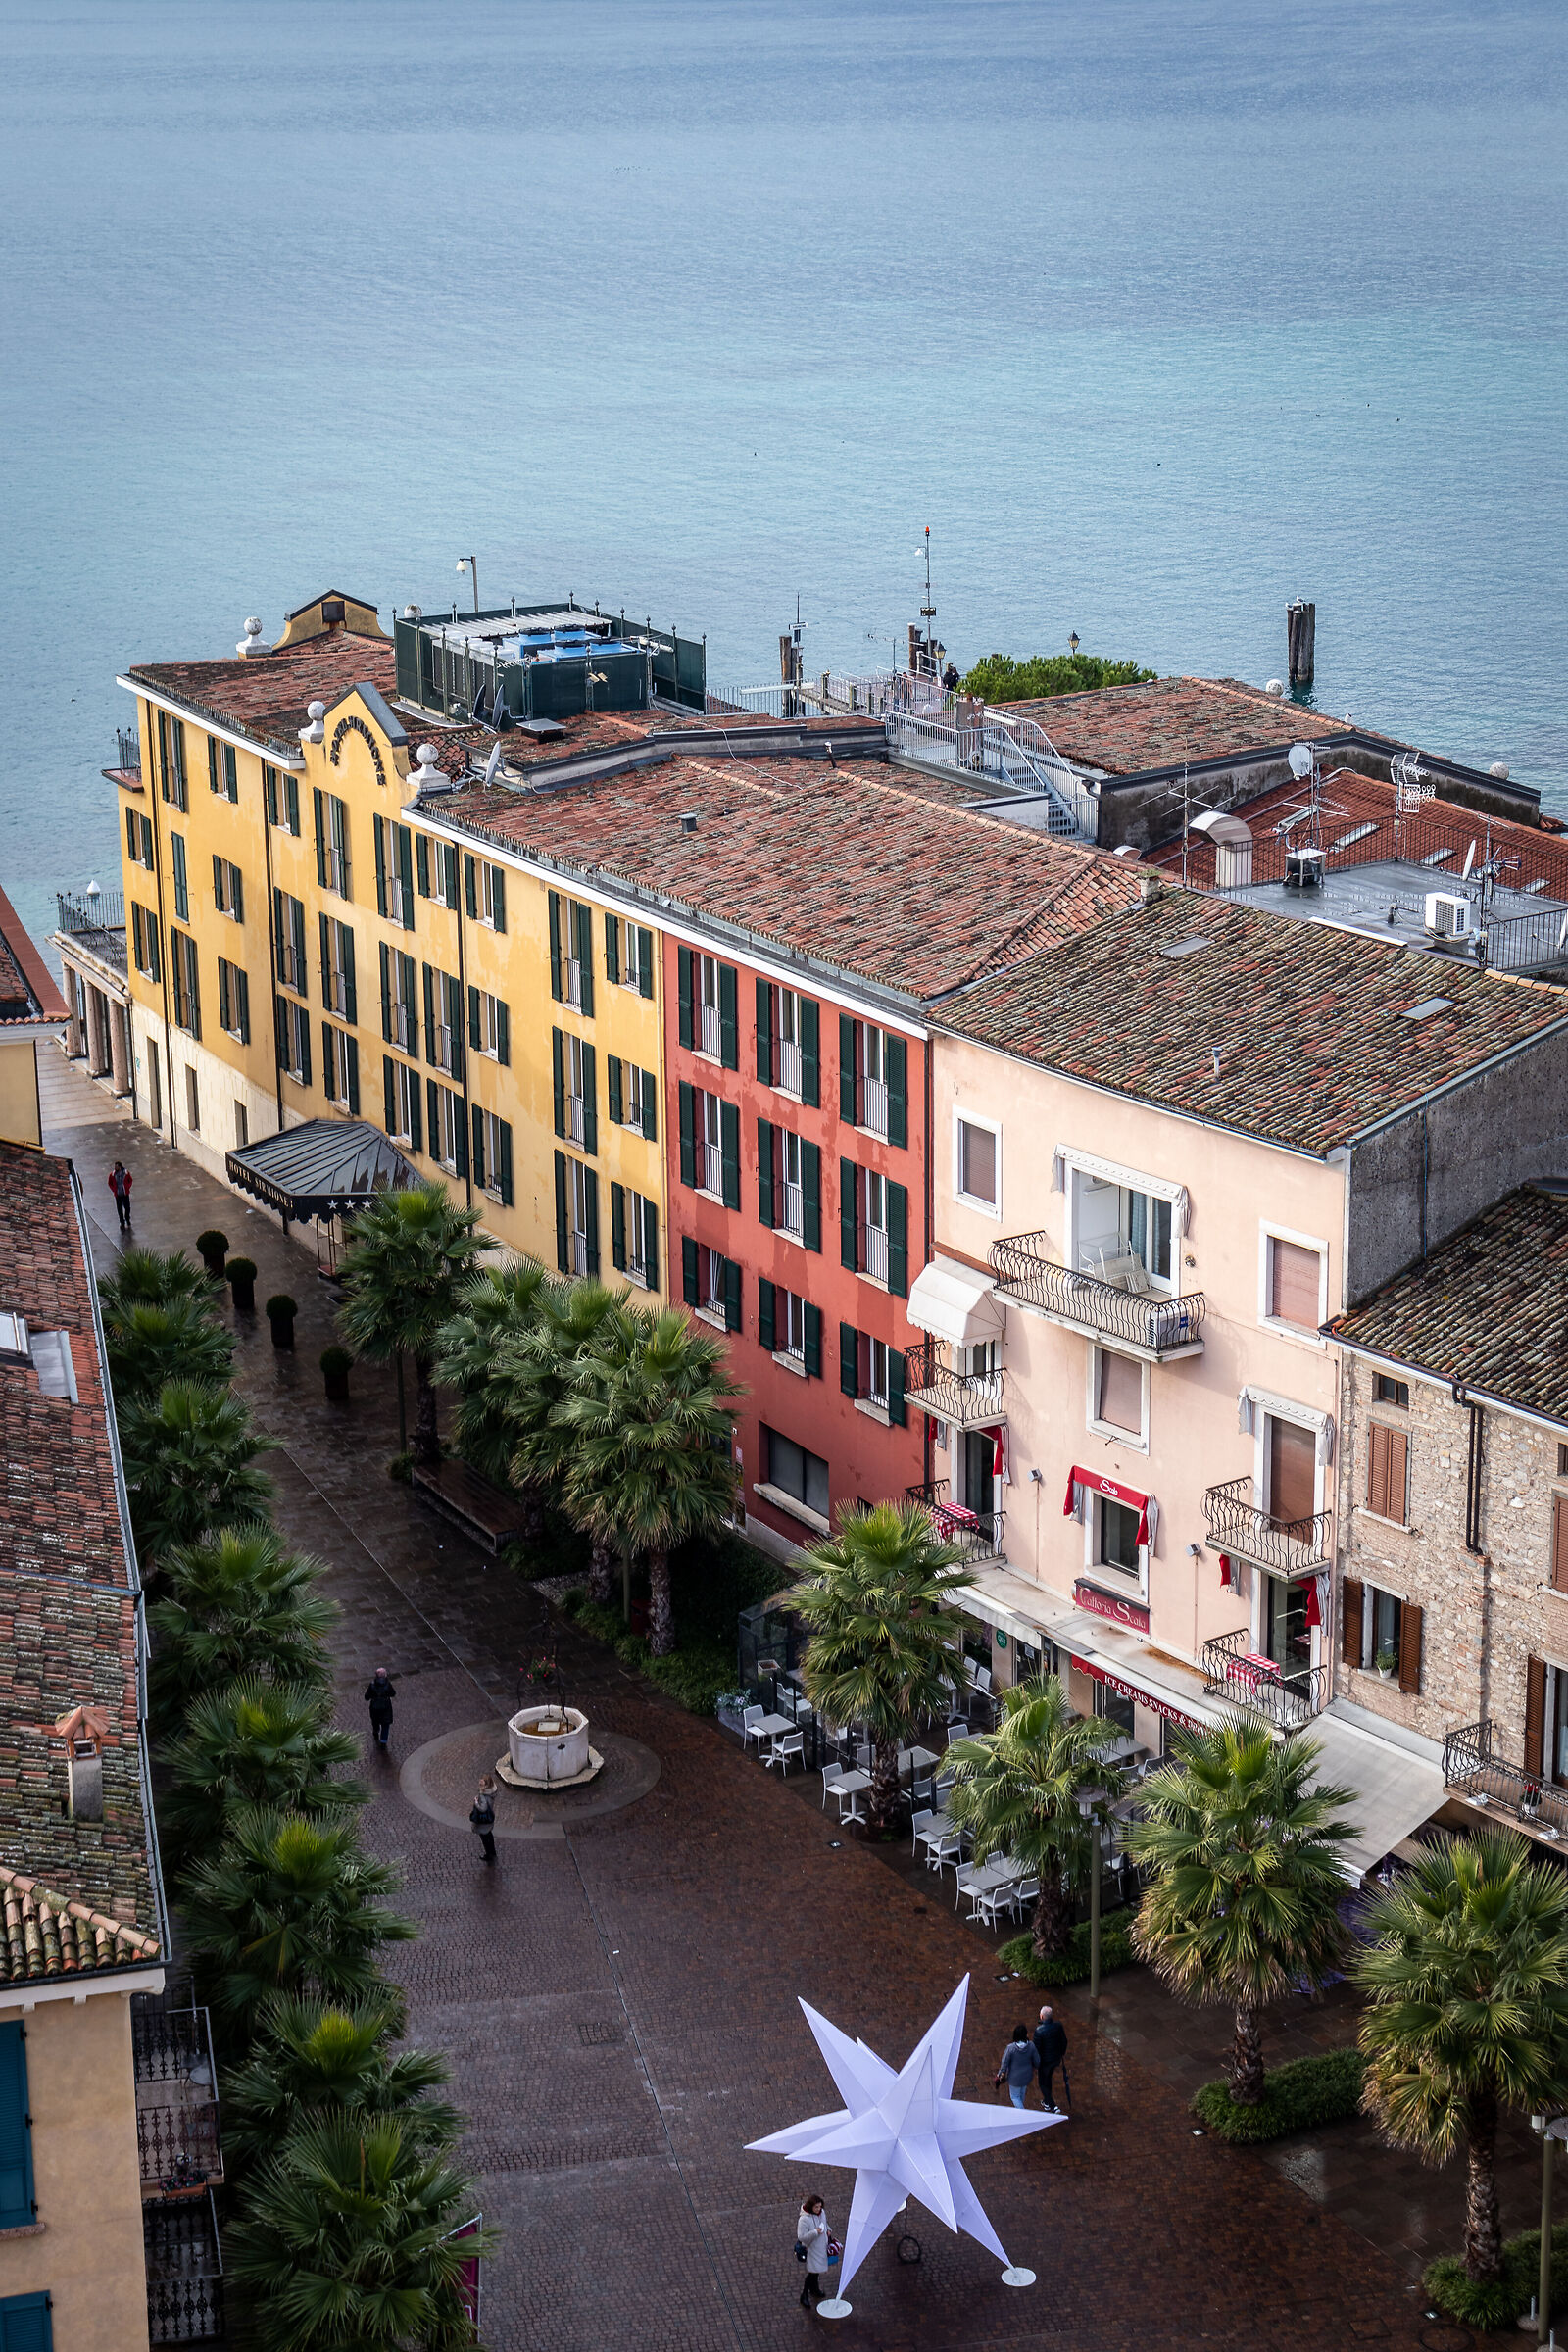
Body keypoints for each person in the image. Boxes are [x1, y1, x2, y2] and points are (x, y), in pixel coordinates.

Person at [796, 2194, 832, 2310]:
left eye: (820, 2206)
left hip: (821, 2247)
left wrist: (828, 2230)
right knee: (813, 2272)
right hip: (812, 2249)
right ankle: (804, 2294)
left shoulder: (822, 2213)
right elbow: (801, 2237)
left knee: (816, 2271)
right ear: (811, 2206)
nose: (819, 2209)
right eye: (816, 2207)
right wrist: (816, 2232)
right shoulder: (803, 2220)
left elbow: (824, 2223)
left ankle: (814, 2289)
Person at [1033, 2004, 1068, 2111]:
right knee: (1048, 2079)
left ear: (1041, 2016)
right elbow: (1064, 2041)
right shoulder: (1058, 2026)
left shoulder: (1039, 2031)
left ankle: (1052, 2105)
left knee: (1042, 2083)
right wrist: (1061, 2053)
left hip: (1044, 2062)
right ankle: (1047, 2102)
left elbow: (1036, 2049)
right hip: (1055, 2060)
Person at [995, 2024, 1038, 2109]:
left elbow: (1004, 2063)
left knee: (1015, 2097)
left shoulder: (1011, 2048)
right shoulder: (1031, 2046)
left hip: (1014, 2078)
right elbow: (1037, 2061)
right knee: (1021, 2095)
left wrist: (1000, 2074)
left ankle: (1022, 2112)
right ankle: (1020, 2109)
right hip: (1026, 2076)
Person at [365, 1668, 396, 1751]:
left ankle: (376, 1731)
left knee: (375, 1721)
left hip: (375, 1708)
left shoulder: (372, 1685)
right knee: (385, 1724)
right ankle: (383, 1742)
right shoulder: (388, 1684)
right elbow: (393, 1693)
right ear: (385, 1675)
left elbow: (366, 1697)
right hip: (386, 1708)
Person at [469, 1776, 497, 1867]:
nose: (480, 1782)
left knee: (485, 1838)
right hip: (489, 1820)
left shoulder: (483, 1796)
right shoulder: (491, 1792)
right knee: (489, 1835)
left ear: (486, 1784)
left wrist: (476, 1802)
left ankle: (488, 1855)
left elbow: (483, 1808)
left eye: (482, 1782)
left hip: (483, 1822)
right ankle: (493, 1852)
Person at [108, 1162, 132, 1230]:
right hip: (118, 1195)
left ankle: (127, 1218)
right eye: (115, 1167)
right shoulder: (112, 1175)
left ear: (120, 1167)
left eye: (116, 1167)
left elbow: (130, 1180)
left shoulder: (126, 1173)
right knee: (119, 1209)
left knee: (127, 1208)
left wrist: (127, 1187)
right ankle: (122, 1222)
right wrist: (114, 1190)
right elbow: (109, 1183)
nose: (115, 1168)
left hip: (125, 1194)